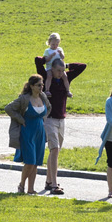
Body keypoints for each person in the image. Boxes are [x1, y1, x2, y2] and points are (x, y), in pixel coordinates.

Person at [41, 58, 86, 195]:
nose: (60, 73)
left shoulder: (65, 79)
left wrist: (66, 65)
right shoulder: (46, 78)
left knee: (56, 151)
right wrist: (47, 61)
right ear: (52, 69)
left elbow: (82, 66)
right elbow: (37, 62)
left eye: (62, 71)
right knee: (54, 149)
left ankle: (48, 181)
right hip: (49, 119)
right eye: (58, 70)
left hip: (61, 119)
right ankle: (54, 184)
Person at [6, 74, 50, 194]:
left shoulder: (43, 97)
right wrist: (20, 119)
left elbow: (49, 108)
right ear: (31, 86)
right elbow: (9, 108)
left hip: (40, 132)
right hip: (27, 132)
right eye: (38, 85)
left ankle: (31, 189)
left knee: (36, 162)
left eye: (42, 85)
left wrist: (43, 119)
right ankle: (21, 185)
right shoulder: (24, 99)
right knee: (30, 161)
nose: (41, 87)